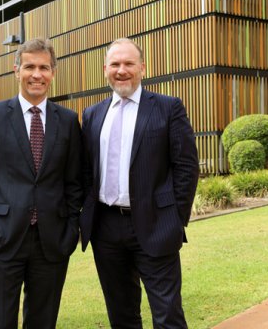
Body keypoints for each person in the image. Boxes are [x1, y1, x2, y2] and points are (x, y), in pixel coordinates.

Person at [80, 38, 199, 329]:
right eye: (115, 64)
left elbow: (186, 167)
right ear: (105, 69)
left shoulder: (168, 108)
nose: (122, 70)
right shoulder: (92, 114)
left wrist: (175, 218)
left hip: (156, 224)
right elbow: (85, 172)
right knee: (121, 315)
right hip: (106, 228)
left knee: (168, 314)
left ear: (142, 68)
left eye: (129, 63)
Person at [0, 38, 82, 329]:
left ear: (53, 73)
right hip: (2, 239)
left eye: (44, 67)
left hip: (51, 243)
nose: (36, 74)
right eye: (29, 66)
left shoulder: (67, 121)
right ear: (16, 70)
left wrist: (70, 230)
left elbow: (74, 182)